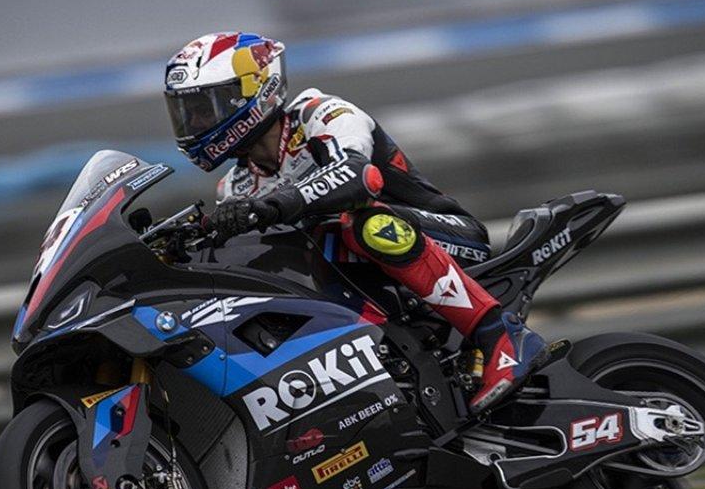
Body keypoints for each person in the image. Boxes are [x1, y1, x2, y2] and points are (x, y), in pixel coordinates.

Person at [163, 32, 549, 413]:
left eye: (204, 108)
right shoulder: (234, 186)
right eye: (186, 112)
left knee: (362, 223)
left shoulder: (320, 113)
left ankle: (501, 334)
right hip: (357, 270)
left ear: (255, 91)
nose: (194, 122)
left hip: (442, 235)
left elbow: (359, 177)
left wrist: (273, 206)